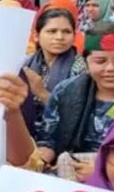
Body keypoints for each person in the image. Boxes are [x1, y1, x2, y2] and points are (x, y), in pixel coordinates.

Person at [36, 21, 114, 167]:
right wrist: (39, 163)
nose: (110, 68)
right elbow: (48, 139)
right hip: (70, 171)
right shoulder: (66, 91)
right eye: (100, 61)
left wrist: (100, 172)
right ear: (86, 63)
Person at [22, 6, 87, 136]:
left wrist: (41, 93)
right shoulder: (26, 64)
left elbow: (78, 115)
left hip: (64, 137)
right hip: (27, 132)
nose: (59, 37)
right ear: (36, 35)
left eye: (66, 32)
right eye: (52, 31)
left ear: (74, 36)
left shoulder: (82, 69)